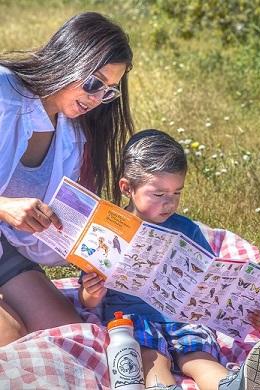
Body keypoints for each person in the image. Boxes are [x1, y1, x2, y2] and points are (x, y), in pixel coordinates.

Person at [79, 129, 260, 390]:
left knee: (200, 357)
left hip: (185, 318)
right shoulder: (107, 231)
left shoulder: (186, 230)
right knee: (152, 358)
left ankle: (232, 385)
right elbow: (87, 301)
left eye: (177, 193)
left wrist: (248, 310)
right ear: (127, 188)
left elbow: (213, 281)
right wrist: (91, 291)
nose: (170, 203)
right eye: (159, 194)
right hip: (133, 317)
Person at [0, 11, 134, 346]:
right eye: (93, 83)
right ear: (69, 59)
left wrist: (99, 249)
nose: (96, 98)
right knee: (11, 337)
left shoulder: (74, 133)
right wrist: (3, 207)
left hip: (6, 249)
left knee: (73, 340)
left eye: (108, 91)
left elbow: (48, 238)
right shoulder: (3, 91)